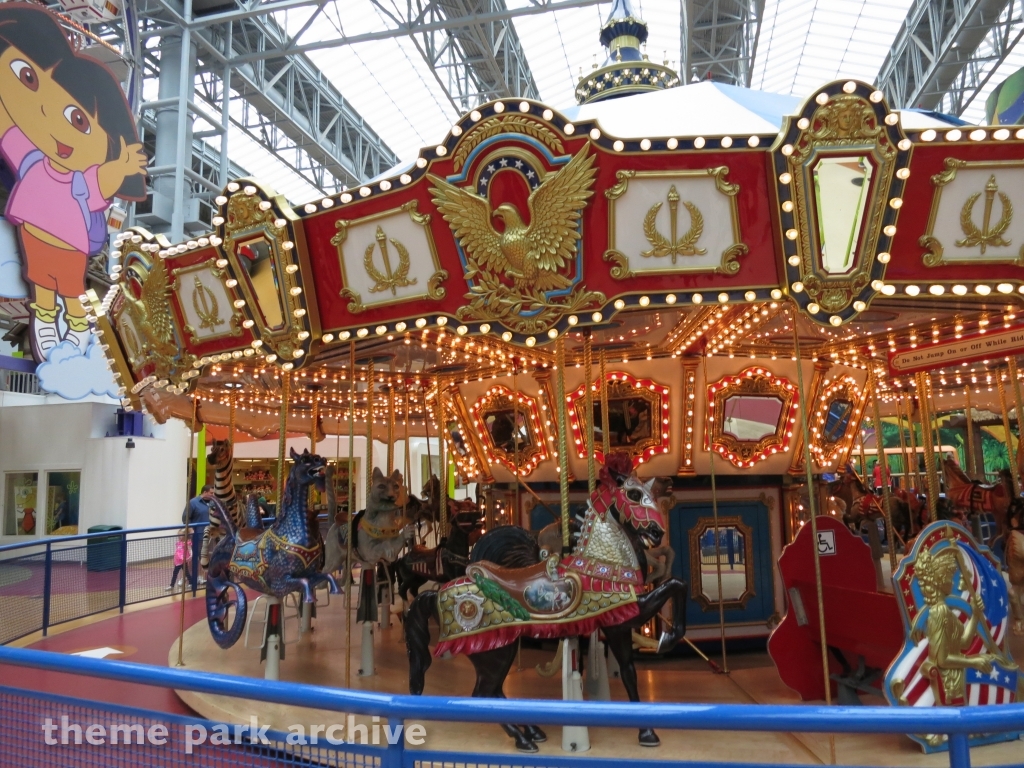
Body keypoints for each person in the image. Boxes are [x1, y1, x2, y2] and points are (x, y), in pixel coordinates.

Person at [0, 4, 146, 360]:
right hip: (34, 236)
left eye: (78, 120)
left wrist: (125, 163)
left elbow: (106, 179)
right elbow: (7, 124)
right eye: (29, 80)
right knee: (42, 288)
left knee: (70, 293)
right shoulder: (31, 157)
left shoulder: (83, 180)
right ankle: (47, 325)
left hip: (70, 247)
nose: (50, 119)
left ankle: (77, 333)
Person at [183, 484, 215, 586]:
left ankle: (201, 577)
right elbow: (185, 518)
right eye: (211, 493)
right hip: (197, 536)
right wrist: (191, 530)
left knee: (206, 557)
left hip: (209, 536)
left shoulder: (212, 503)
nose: (213, 495)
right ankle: (192, 578)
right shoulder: (193, 503)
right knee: (194, 558)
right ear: (204, 492)